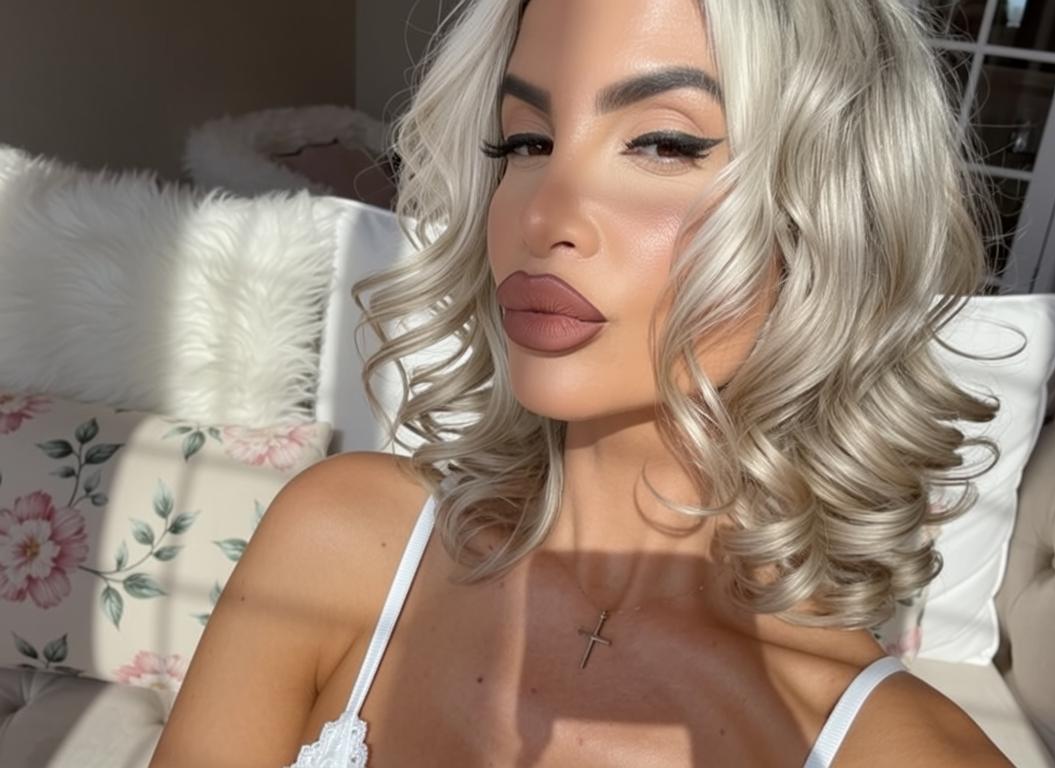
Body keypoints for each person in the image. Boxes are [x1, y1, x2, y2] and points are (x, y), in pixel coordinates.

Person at [153, 0, 1011, 765]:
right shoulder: (342, 542)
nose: (544, 214)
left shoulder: (897, 749)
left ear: (835, 212)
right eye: (527, 142)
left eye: (663, 143)